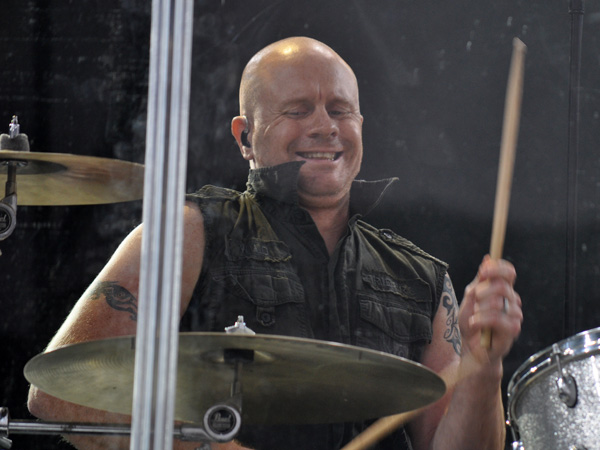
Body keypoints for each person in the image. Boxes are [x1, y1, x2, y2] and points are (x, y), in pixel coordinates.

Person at [28, 36, 523, 450]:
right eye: (298, 110)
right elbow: (58, 393)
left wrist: (484, 366)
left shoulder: (420, 277)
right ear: (245, 137)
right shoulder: (188, 231)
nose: (325, 126)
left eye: (340, 110)